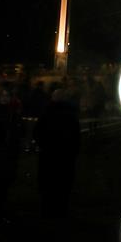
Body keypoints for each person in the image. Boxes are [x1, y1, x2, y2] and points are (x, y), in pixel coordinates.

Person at [33, 88, 80, 217]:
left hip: (49, 154)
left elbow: (37, 132)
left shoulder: (47, 112)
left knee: (48, 183)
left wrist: (42, 145)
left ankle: (47, 209)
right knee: (63, 183)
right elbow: (76, 136)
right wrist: (74, 151)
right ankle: (60, 209)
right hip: (65, 155)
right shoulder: (71, 114)